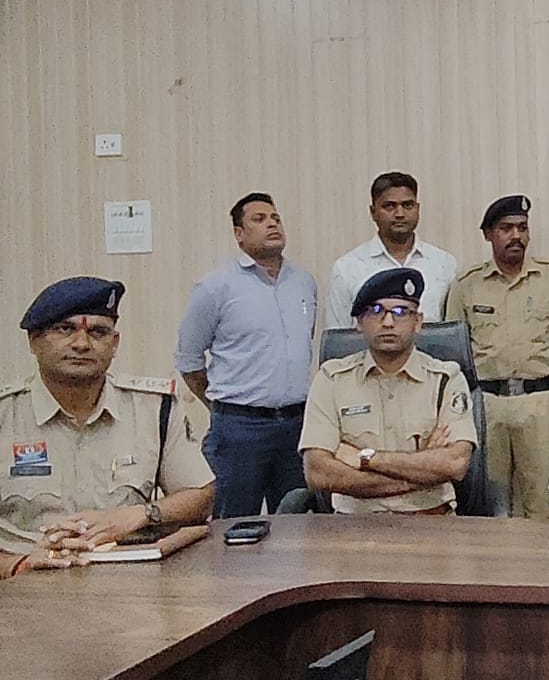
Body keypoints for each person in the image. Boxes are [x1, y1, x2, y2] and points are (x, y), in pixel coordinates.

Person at [2, 277, 214, 578]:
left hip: (129, 580)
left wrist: (140, 514)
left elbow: (201, 496)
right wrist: (17, 565)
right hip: (23, 584)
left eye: (98, 332)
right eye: (65, 329)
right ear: (34, 340)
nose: (81, 344)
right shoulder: (5, 415)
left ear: (114, 344)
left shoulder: (153, 409)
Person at [175, 192, 317, 518]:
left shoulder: (304, 282)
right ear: (239, 234)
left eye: (276, 218)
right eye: (259, 219)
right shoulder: (215, 287)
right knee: (233, 523)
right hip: (239, 428)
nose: (272, 224)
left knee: (297, 521)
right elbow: (189, 360)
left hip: (297, 425)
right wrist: (223, 406)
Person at [298, 268, 476, 515]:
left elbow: (455, 463)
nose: (388, 322)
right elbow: (318, 473)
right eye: (376, 311)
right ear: (359, 322)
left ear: (418, 322)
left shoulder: (446, 379)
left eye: (401, 312)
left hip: (431, 520)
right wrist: (422, 472)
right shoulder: (331, 379)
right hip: (353, 525)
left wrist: (366, 458)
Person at [446, 195, 549, 518]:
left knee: (545, 501)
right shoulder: (466, 285)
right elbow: (453, 356)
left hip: (542, 402)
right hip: (487, 404)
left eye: (522, 227)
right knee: (491, 503)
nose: (516, 236)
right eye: (506, 228)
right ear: (488, 234)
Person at [326, 171, 458, 327]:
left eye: (408, 205)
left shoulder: (444, 264)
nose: (400, 214)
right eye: (390, 206)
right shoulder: (346, 268)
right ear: (373, 212)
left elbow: (452, 333)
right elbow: (338, 336)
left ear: (418, 208)